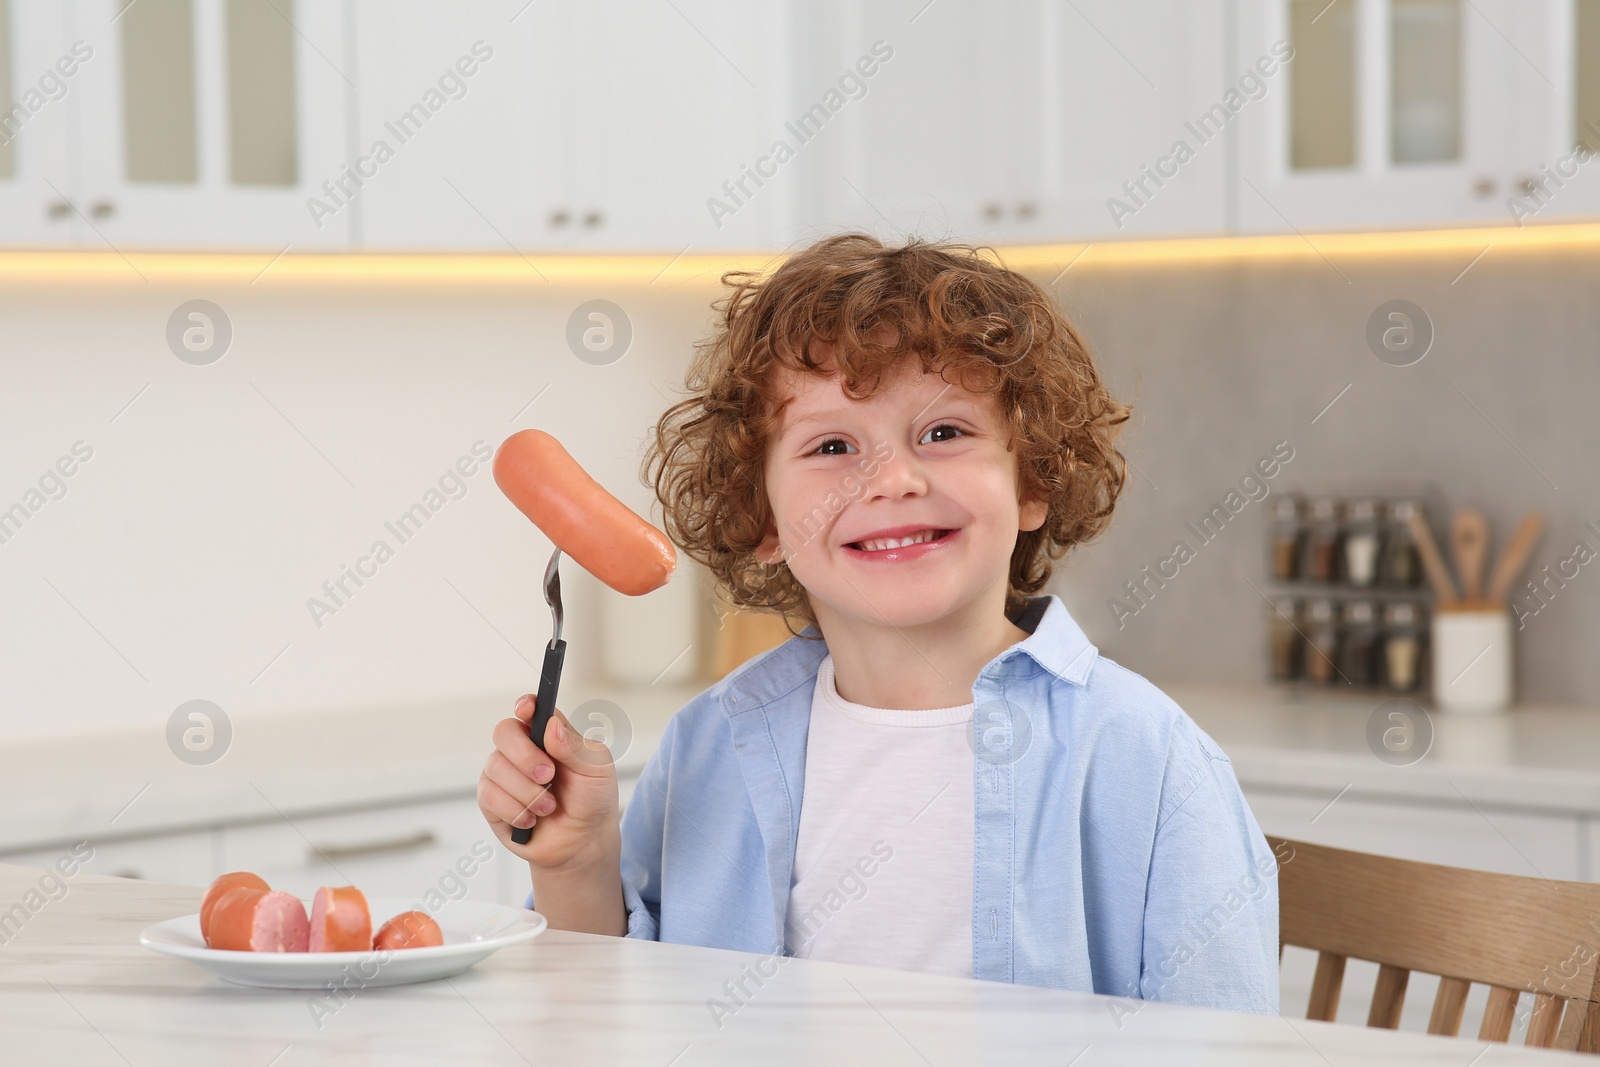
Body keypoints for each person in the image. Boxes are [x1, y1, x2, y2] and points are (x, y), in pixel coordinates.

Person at [476, 232, 1279, 1013]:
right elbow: (611, 1017)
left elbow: (1224, 1042)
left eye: (943, 431)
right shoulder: (708, 748)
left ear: (1033, 480)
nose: (893, 477)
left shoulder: (1149, 761)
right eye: (831, 445)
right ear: (763, 517)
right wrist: (579, 861)